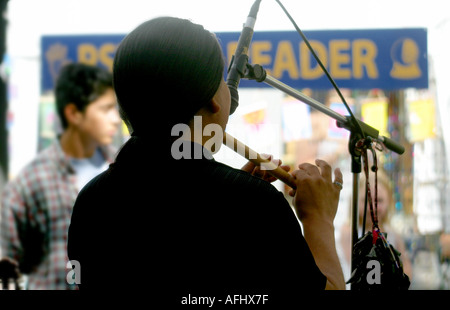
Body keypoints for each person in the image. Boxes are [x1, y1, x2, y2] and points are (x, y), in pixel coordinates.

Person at [67, 17, 345, 299]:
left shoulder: (91, 201)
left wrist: (232, 192)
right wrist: (317, 218)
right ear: (213, 99)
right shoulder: (254, 205)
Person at [0, 63, 120, 289]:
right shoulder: (31, 182)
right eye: (105, 109)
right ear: (74, 113)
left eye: (115, 108)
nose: (115, 119)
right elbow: (10, 265)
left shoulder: (123, 170)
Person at [339, 170, 413, 286]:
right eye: (367, 201)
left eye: (379, 201)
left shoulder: (393, 234)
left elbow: (406, 269)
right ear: (356, 201)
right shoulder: (348, 232)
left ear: (389, 201)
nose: (372, 207)